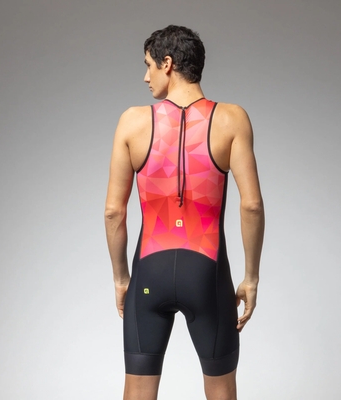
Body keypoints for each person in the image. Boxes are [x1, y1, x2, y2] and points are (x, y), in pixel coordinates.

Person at [105, 25, 264, 400]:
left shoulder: (132, 121)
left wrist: (122, 279)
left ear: (167, 63)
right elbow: (252, 205)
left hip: (150, 272)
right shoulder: (232, 119)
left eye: (148, 66)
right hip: (206, 273)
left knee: (138, 392)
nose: (146, 77)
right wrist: (251, 277)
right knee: (221, 391)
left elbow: (114, 212)